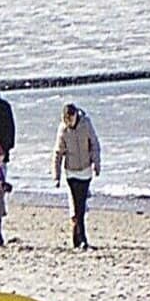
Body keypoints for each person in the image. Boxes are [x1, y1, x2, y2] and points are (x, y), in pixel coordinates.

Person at [53, 102, 101, 250]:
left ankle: (78, 238)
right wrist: (57, 175)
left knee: (81, 205)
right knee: (77, 206)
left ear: (75, 115)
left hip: (85, 171)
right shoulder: (63, 129)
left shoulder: (86, 124)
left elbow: (94, 144)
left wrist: (96, 164)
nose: (68, 122)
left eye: (70, 119)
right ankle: (82, 239)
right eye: (66, 119)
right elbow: (58, 153)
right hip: (71, 172)